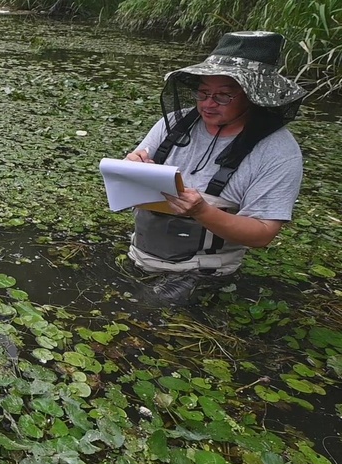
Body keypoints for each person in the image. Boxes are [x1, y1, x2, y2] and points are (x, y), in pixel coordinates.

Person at [124, 31, 307, 305]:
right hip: (140, 257)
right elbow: (129, 192)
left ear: (253, 97)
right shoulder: (173, 123)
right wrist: (131, 171)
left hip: (204, 274)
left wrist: (202, 211)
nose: (208, 104)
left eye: (223, 96)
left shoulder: (277, 151)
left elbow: (263, 233)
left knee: (140, 311)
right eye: (203, 92)